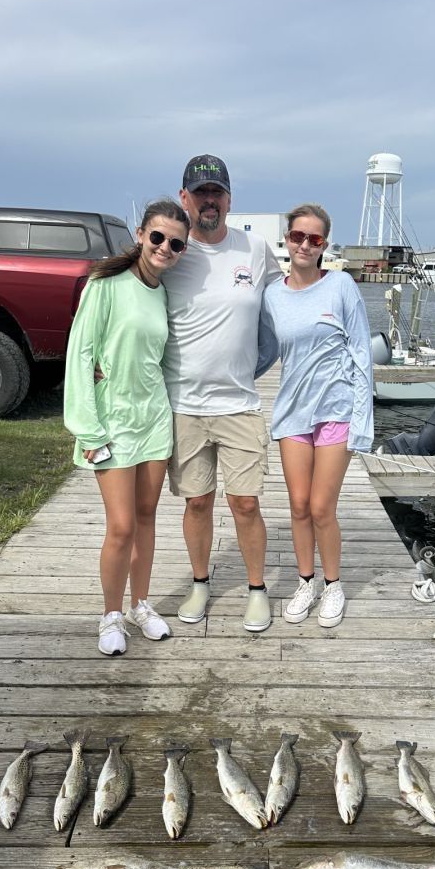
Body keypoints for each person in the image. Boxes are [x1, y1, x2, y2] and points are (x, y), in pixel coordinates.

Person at [159, 155, 285, 632]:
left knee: (246, 502)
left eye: (217, 192)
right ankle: (200, 582)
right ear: (184, 198)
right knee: (197, 502)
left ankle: (257, 590)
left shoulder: (254, 248)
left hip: (239, 403)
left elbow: (285, 305)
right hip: (183, 405)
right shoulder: (171, 251)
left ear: (229, 200)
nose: (209, 201)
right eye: (200, 192)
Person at [63, 198, 190, 656]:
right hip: (113, 421)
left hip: (154, 419)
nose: (165, 247)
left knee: (146, 518)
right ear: (140, 235)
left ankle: (140, 604)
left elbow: (161, 360)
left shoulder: (163, 293)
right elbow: (81, 353)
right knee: (120, 527)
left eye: (176, 243)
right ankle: (111, 614)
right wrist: (87, 428)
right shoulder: (105, 283)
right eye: (157, 237)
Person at [259, 203, 373, 627]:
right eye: (297, 236)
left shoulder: (341, 285)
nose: (305, 244)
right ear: (287, 240)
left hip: (337, 411)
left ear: (324, 244)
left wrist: (363, 423)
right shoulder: (272, 294)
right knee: (298, 504)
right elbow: (266, 351)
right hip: (292, 412)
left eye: (315, 238)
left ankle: (333, 584)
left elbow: (362, 353)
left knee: (323, 507)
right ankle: (304, 581)